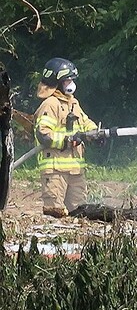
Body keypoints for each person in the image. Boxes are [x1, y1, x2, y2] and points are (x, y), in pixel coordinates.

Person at [34, 57, 100, 217]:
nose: (71, 84)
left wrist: (96, 134)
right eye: (67, 81)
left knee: (80, 212)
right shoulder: (50, 104)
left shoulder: (73, 103)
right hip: (55, 171)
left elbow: (85, 123)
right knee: (55, 213)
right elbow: (44, 134)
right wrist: (68, 139)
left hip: (75, 170)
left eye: (71, 80)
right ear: (56, 83)